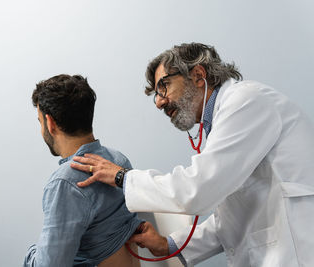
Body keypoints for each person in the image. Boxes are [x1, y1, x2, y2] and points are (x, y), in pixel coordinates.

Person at [71, 43, 314, 266]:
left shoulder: (247, 102)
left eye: (163, 86)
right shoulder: (224, 120)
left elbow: (197, 190)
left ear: (198, 75)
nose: (158, 102)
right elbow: (230, 220)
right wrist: (169, 245)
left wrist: (123, 177)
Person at [24, 74, 142, 267]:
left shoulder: (66, 184)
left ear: (50, 123)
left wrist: (31, 254)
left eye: (40, 121)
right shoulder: (118, 161)